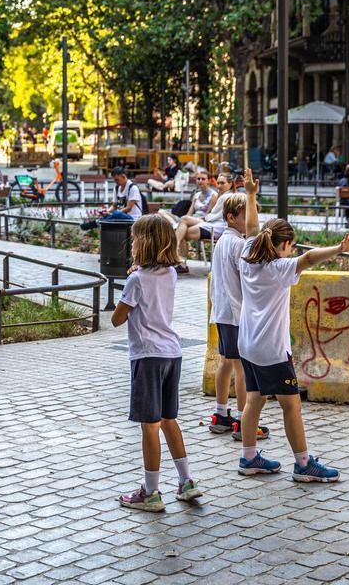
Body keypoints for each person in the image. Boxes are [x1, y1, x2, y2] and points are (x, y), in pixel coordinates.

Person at [236, 220, 349, 483]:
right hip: (271, 350)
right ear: (283, 245)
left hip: (246, 344)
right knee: (291, 404)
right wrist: (339, 248)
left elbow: (250, 225)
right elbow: (309, 258)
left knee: (254, 399)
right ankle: (303, 464)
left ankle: (248, 458)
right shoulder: (278, 268)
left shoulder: (247, 256)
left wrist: (249, 194)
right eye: (289, 245)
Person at [114, 214, 202, 511]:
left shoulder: (135, 280)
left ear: (144, 243)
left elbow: (117, 318)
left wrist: (130, 284)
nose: (133, 242)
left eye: (135, 238)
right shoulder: (171, 273)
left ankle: (151, 491)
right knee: (168, 419)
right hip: (171, 353)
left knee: (149, 426)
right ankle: (186, 480)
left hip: (147, 355)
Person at [207, 173, 270, 444]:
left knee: (225, 362)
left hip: (222, 311)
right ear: (232, 217)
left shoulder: (222, 241)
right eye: (248, 214)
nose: (252, 219)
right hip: (235, 311)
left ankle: (221, 413)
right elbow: (249, 271)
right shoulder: (236, 243)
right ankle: (245, 420)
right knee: (243, 368)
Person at [172, 169, 224, 270]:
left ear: (208, 181)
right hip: (193, 220)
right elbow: (190, 212)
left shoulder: (214, 195)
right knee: (182, 230)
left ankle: (174, 247)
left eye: (203, 179)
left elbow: (209, 215)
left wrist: (188, 220)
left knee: (183, 221)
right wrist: (186, 222)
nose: (200, 181)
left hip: (205, 221)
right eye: (198, 179)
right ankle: (182, 264)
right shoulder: (196, 195)